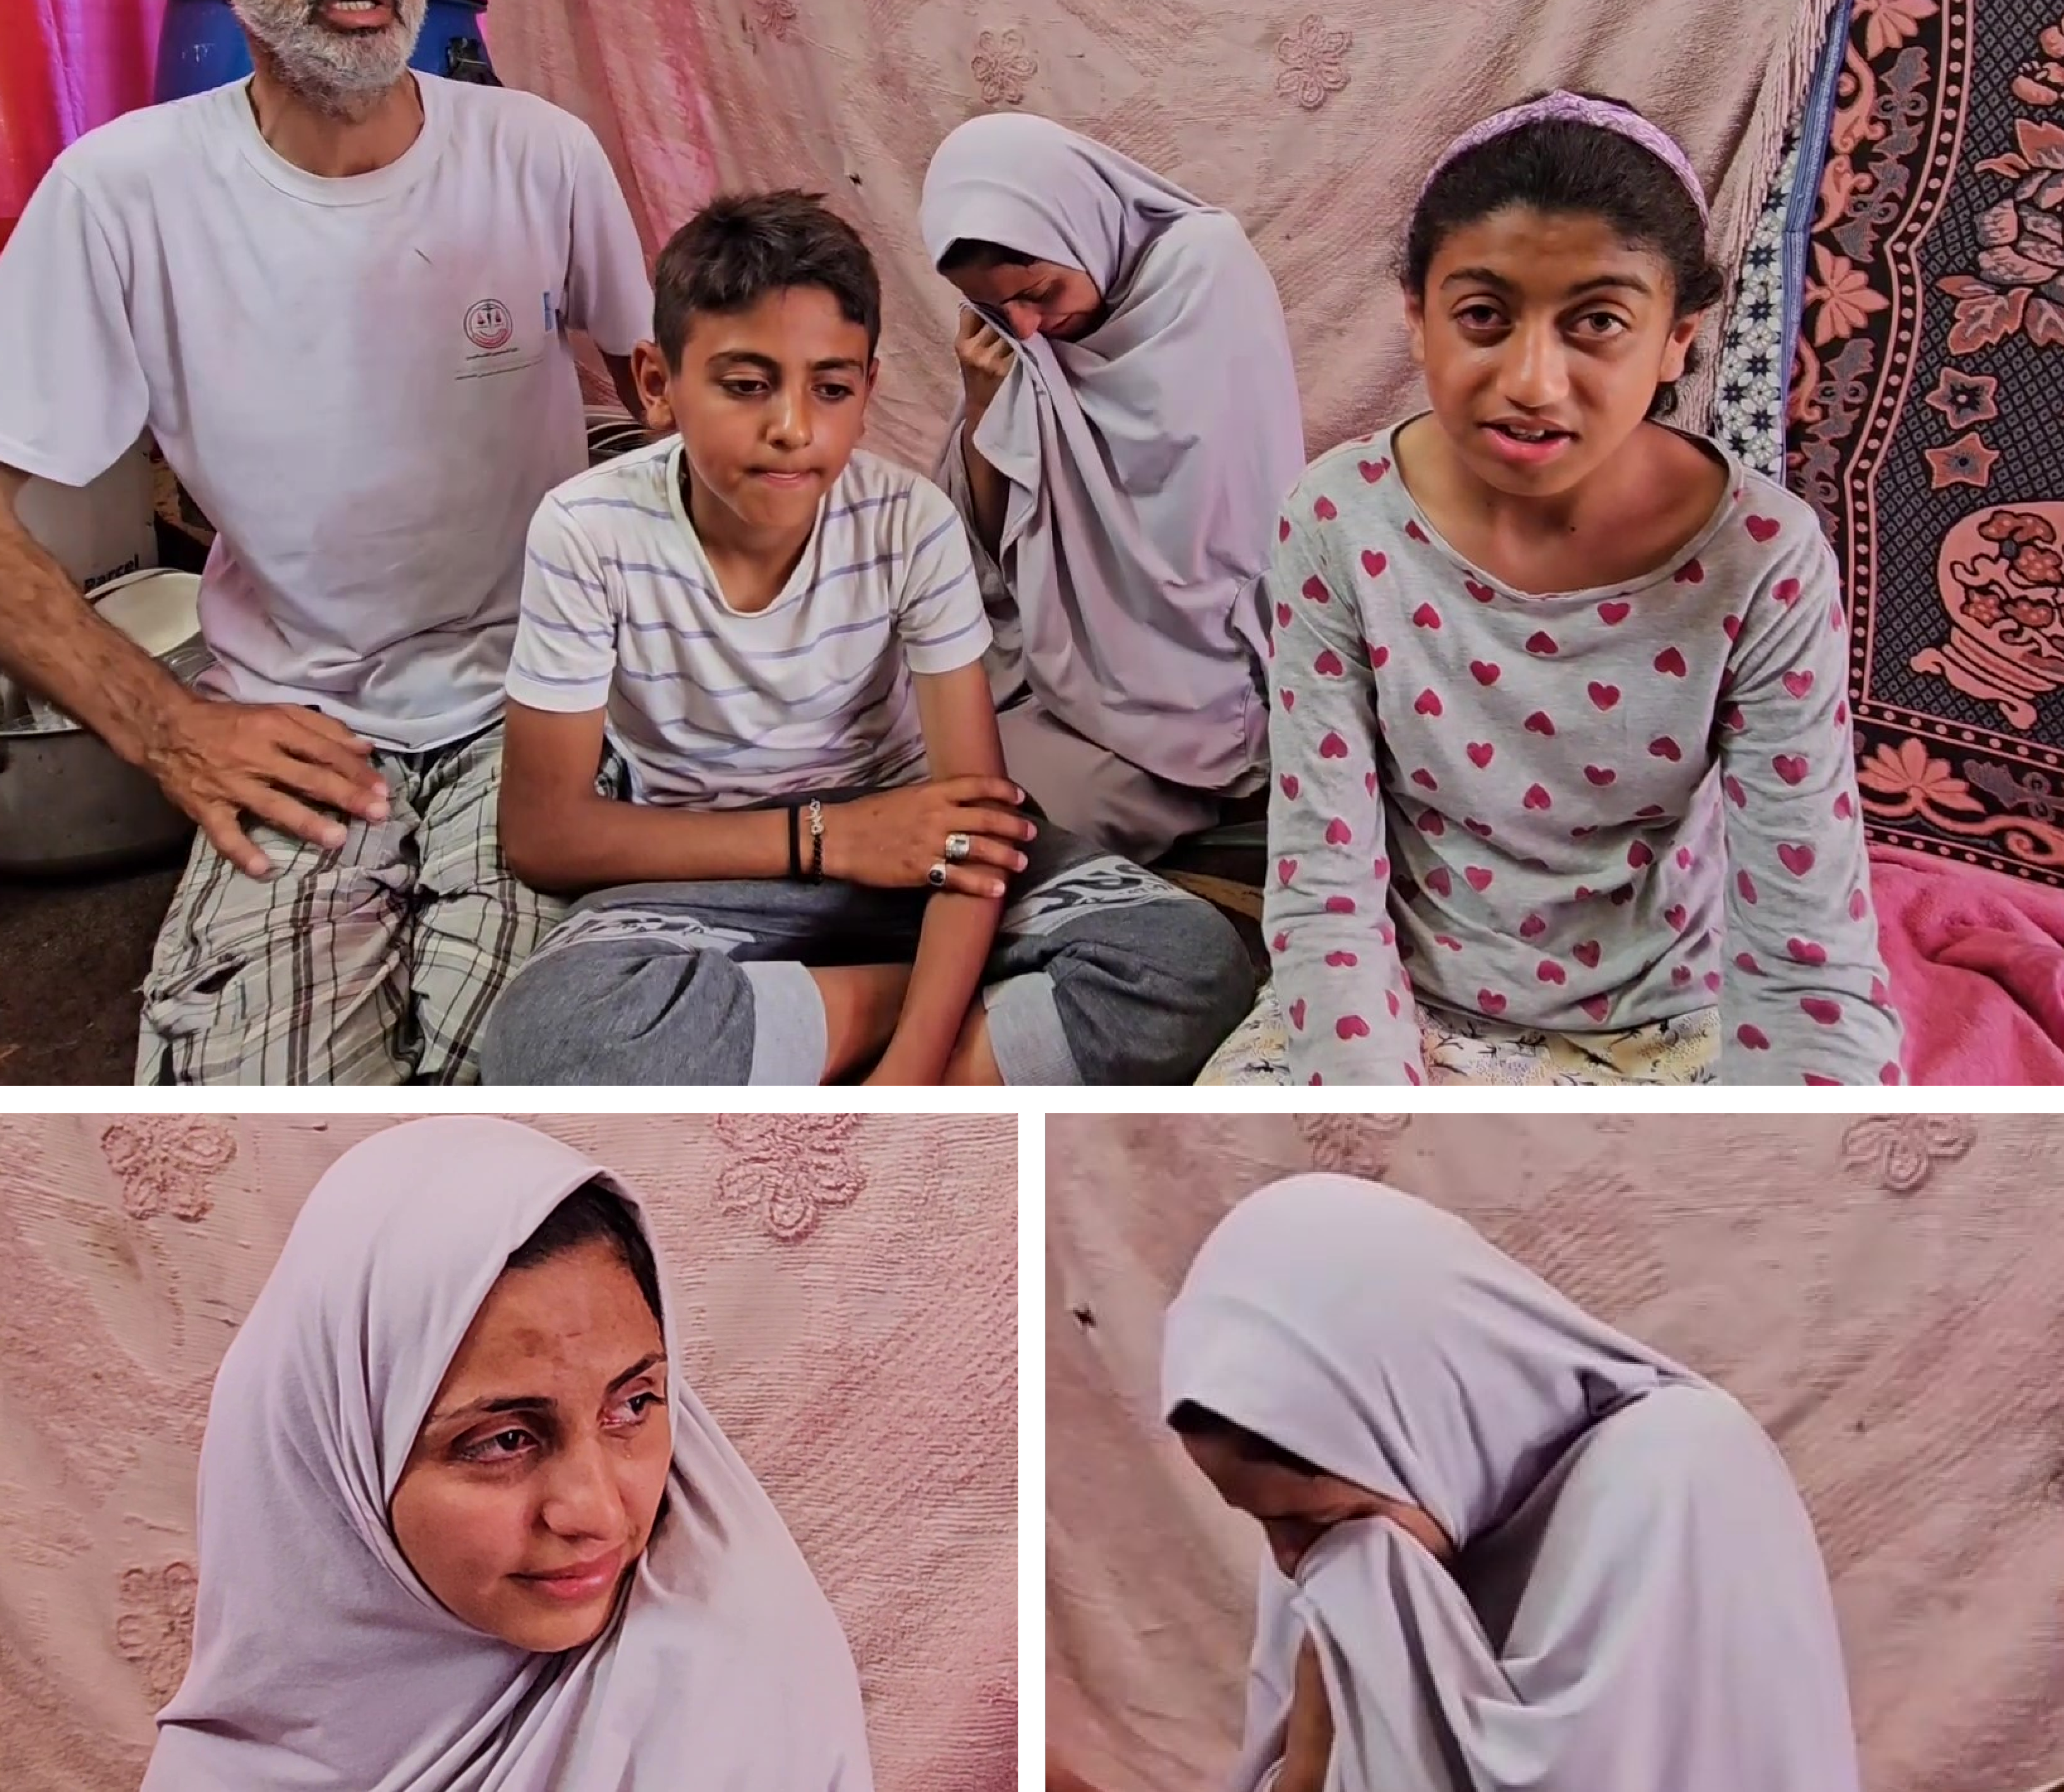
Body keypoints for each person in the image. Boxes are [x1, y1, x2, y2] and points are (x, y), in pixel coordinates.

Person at [0, 0, 652, 1084]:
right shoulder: (119, 198)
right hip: (291, 717)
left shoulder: (539, 152)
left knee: (535, 1073)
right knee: (257, 1099)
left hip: (538, 699)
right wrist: (164, 725)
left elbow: (669, 395)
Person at [477, 190, 1253, 1087]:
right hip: (708, 867)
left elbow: (971, 813)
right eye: (744, 384)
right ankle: (933, 1009)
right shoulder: (587, 530)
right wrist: (827, 839)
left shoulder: (909, 524)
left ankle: (815, 1031)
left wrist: (911, 1074)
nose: (793, 429)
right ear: (657, 385)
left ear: (868, 390)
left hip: (921, 858)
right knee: (549, 1042)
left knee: (1189, 963)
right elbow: (544, 834)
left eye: (831, 388)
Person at [1235, 90, 1904, 1086]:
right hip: (1394, 1001)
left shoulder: (1761, 556)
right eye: (1482, 317)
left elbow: (1807, 957)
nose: (1533, 382)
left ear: (1678, 335)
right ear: (1416, 320)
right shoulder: (1336, 520)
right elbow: (1323, 884)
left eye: (1595, 321)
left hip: (1676, 1019)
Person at [141, 1115, 874, 1790]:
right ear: (335, 1463)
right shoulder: (219, 1767)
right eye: (504, 1441)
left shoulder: (729, 1706)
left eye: (634, 1405)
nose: (596, 1512)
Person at [1159, 1172, 1862, 1792]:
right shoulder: (1341, 1540)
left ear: (1423, 1429)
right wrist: (1317, 1720)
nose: (1288, 1562)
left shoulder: (1676, 1480)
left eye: (1312, 1525)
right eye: (1262, 1524)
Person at [920, 112, 1306, 862]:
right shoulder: (1016, 339)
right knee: (902, 766)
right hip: (1056, 666)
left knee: (1002, 828)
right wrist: (980, 407)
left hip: (1188, 681)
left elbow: (1211, 539)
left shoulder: (1203, 273)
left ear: (1079, 227)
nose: (1028, 327)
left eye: (1039, 292)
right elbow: (991, 552)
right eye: (997, 310)